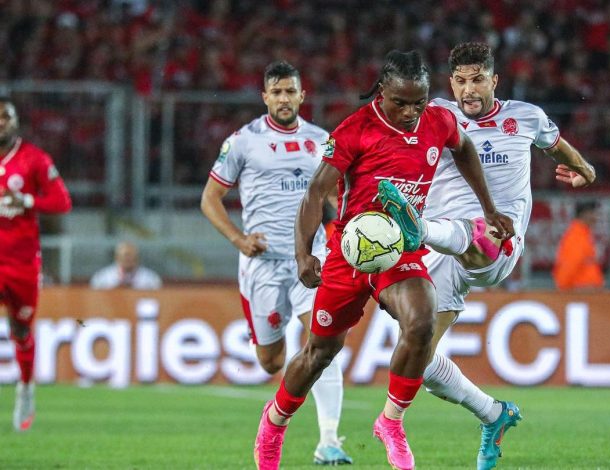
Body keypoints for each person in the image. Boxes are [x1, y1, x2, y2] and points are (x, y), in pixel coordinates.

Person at [253, 50, 514, 470]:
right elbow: (315, 192)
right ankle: (274, 424)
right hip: (349, 253)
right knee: (320, 353)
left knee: (422, 321)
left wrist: (489, 208)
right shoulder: (355, 129)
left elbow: (464, 147)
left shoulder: (439, 121)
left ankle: (391, 421)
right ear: (381, 93)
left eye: (419, 102)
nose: (411, 112)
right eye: (400, 103)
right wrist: (304, 253)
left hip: (399, 248)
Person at [377, 42, 596, 470]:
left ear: (494, 80)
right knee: (418, 359)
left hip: (498, 240)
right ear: (450, 83)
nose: (468, 90)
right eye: (460, 81)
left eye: (477, 80)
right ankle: (493, 414)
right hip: (442, 254)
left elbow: (558, 146)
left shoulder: (526, 117)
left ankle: (417, 228)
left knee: (484, 235)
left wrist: (585, 171)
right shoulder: (435, 114)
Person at [200, 61, 352, 466]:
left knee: (325, 342)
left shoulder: (321, 141)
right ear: (265, 96)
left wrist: (344, 232)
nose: (284, 99)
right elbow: (209, 199)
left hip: (310, 261)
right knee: (271, 361)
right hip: (263, 265)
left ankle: (329, 440)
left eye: (290, 91)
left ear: (302, 95)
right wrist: (239, 239)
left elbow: (333, 199)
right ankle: (283, 399)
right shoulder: (243, 141)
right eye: (277, 92)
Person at [0, 96, 72, 431]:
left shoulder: (34, 158)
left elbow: (62, 201)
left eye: (6, 117)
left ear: (15, 122)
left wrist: (27, 200)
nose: (1, 123)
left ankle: (26, 387)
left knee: (21, 329)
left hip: (23, 262)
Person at [553, 201, 604, 291]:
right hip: (580, 293)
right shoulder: (576, 236)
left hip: (587, 292)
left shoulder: (584, 234)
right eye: (594, 213)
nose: (596, 217)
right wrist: (563, 292)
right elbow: (568, 266)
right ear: (585, 214)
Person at [89, 241, 163, 290]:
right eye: (125, 255)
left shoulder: (151, 279)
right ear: (117, 257)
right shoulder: (102, 278)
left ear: (137, 258)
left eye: (131, 256)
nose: (128, 259)